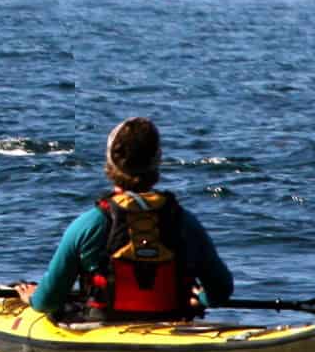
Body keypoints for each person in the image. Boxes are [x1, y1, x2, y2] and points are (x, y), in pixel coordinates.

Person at [13, 117, 232, 322]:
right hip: (171, 321)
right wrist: (199, 299)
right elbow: (221, 291)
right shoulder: (186, 222)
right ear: (157, 161)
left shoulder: (87, 224)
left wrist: (32, 297)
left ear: (110, 164)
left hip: (101, 327)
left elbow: (48, 301)